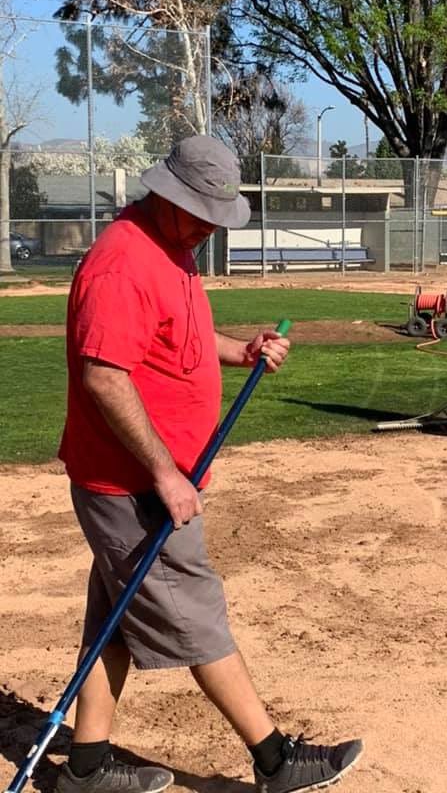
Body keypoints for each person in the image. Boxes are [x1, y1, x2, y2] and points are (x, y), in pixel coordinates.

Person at [57, 135, 363, 793]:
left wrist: (240, 350)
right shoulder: (124, 262)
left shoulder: (172, 249)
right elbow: (105, 378)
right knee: (197, 616)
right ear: (165, 195)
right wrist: (166, 474)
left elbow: (179, 345)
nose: (206, 228)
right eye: (199, 212)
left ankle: (84, 768)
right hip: (135, 486)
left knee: (112, 630)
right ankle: (276, 760)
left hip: (146, 480)